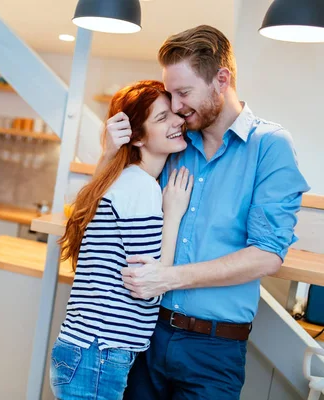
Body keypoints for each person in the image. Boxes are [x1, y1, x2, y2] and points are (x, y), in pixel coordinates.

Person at [97, 25, 309, 399]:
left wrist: (169, 278)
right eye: (172, 94)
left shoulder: (270, 147)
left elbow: (266, 256)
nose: (176, 106)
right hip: (148, 335)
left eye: (184, 92)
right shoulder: (175, 142)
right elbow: (105, 205)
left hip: (214, 351)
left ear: (221, 79)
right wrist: (108, 154)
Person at [49, 80, 193, 400]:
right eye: (162, 118)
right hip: (98, 353)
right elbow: (149, 281)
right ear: (137, 137)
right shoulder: (140, 187)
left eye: (175, 113)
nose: (177, 122)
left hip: (88, 351)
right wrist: (172, 215)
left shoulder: (124, 179)